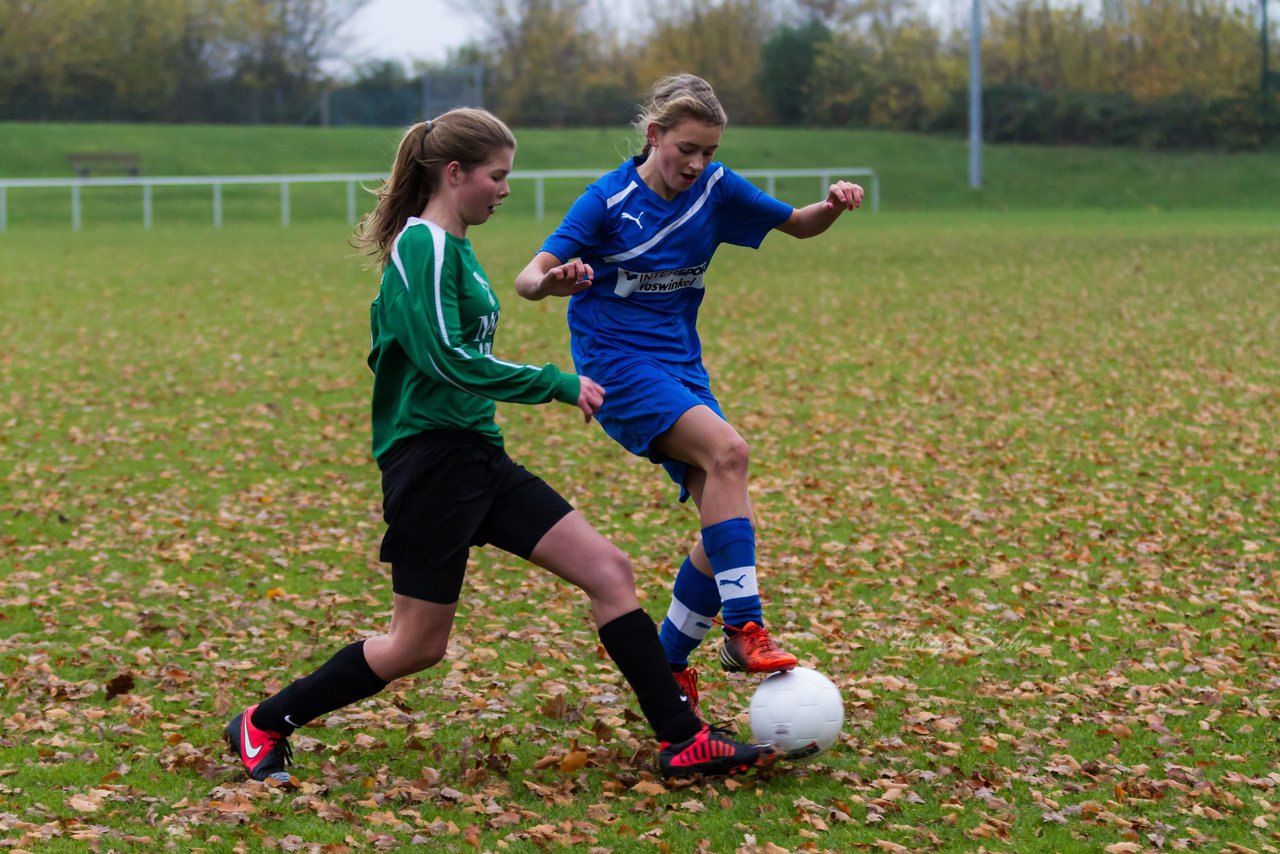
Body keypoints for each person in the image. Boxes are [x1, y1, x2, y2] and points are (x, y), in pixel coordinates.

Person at [224, 107, 772, 783]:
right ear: (455, 174)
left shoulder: (456, 250)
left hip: (477, 454)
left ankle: (681, 740)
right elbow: (444, 358)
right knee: (416, 645)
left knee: (609, 571)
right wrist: (553, 383)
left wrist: (559, 285)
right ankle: (262, 722)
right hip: (428, 464)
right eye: (497, 175)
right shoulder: (420, 245)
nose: (505, 189)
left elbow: (460, 351)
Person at [515, 74, 863, 714]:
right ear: (655, 136)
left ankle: (669, 663)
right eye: (687, 149)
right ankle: (743, 630)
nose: (698, 163)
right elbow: (526, 279)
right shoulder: (607, 201)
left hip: (682, 369)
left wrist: (834, 205)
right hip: (615, 367)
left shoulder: (716, 188)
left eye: (708, 151)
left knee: (725, 526)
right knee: (730, 453)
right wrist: (557, 279)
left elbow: (799, 225)